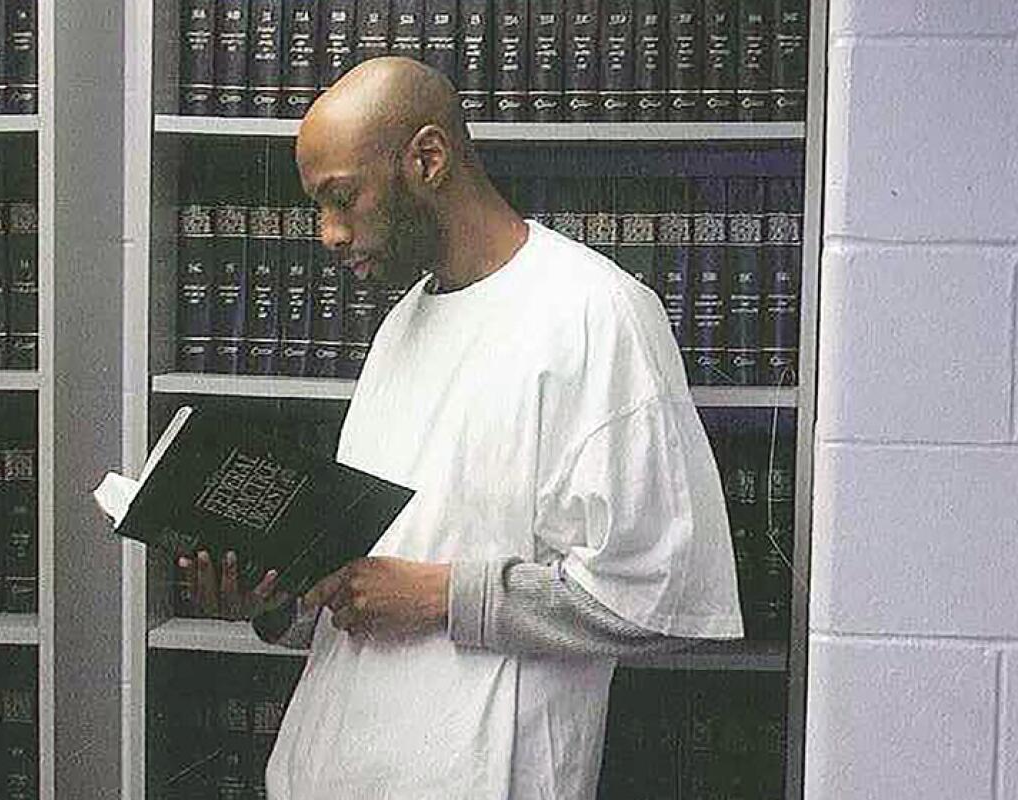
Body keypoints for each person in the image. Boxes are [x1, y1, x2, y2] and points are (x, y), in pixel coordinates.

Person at [177, 56, 744, 799]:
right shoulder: (401, 322)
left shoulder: (595, 314)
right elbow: (371, 583)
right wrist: (276, 603)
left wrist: (442, 597)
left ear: (428, 159)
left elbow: (660, 598)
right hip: (327, 774)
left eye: (341, 198)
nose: (328, 234)